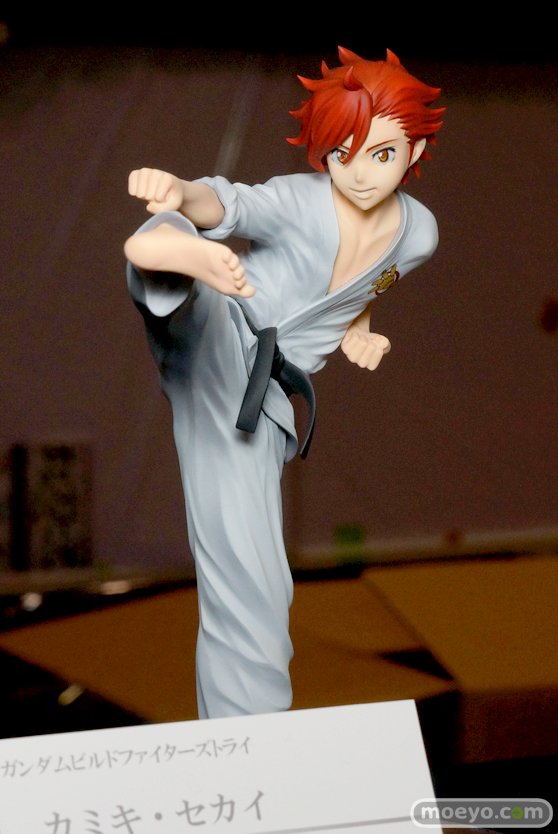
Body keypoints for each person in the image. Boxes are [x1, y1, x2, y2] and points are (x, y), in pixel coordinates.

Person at [124, 47, 444, 719]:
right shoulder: (302, 202)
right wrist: (182, 194)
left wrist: (356, 328)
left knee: (259, 586)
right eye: (342, 154)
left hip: (259, 400)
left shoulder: (417, 234)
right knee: (178, 252)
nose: (360, 174)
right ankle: (169, 253)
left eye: (383, 154)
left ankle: (250, 748)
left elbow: (362, 285)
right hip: (225, 325)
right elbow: (232, 202)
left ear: (415, 153)